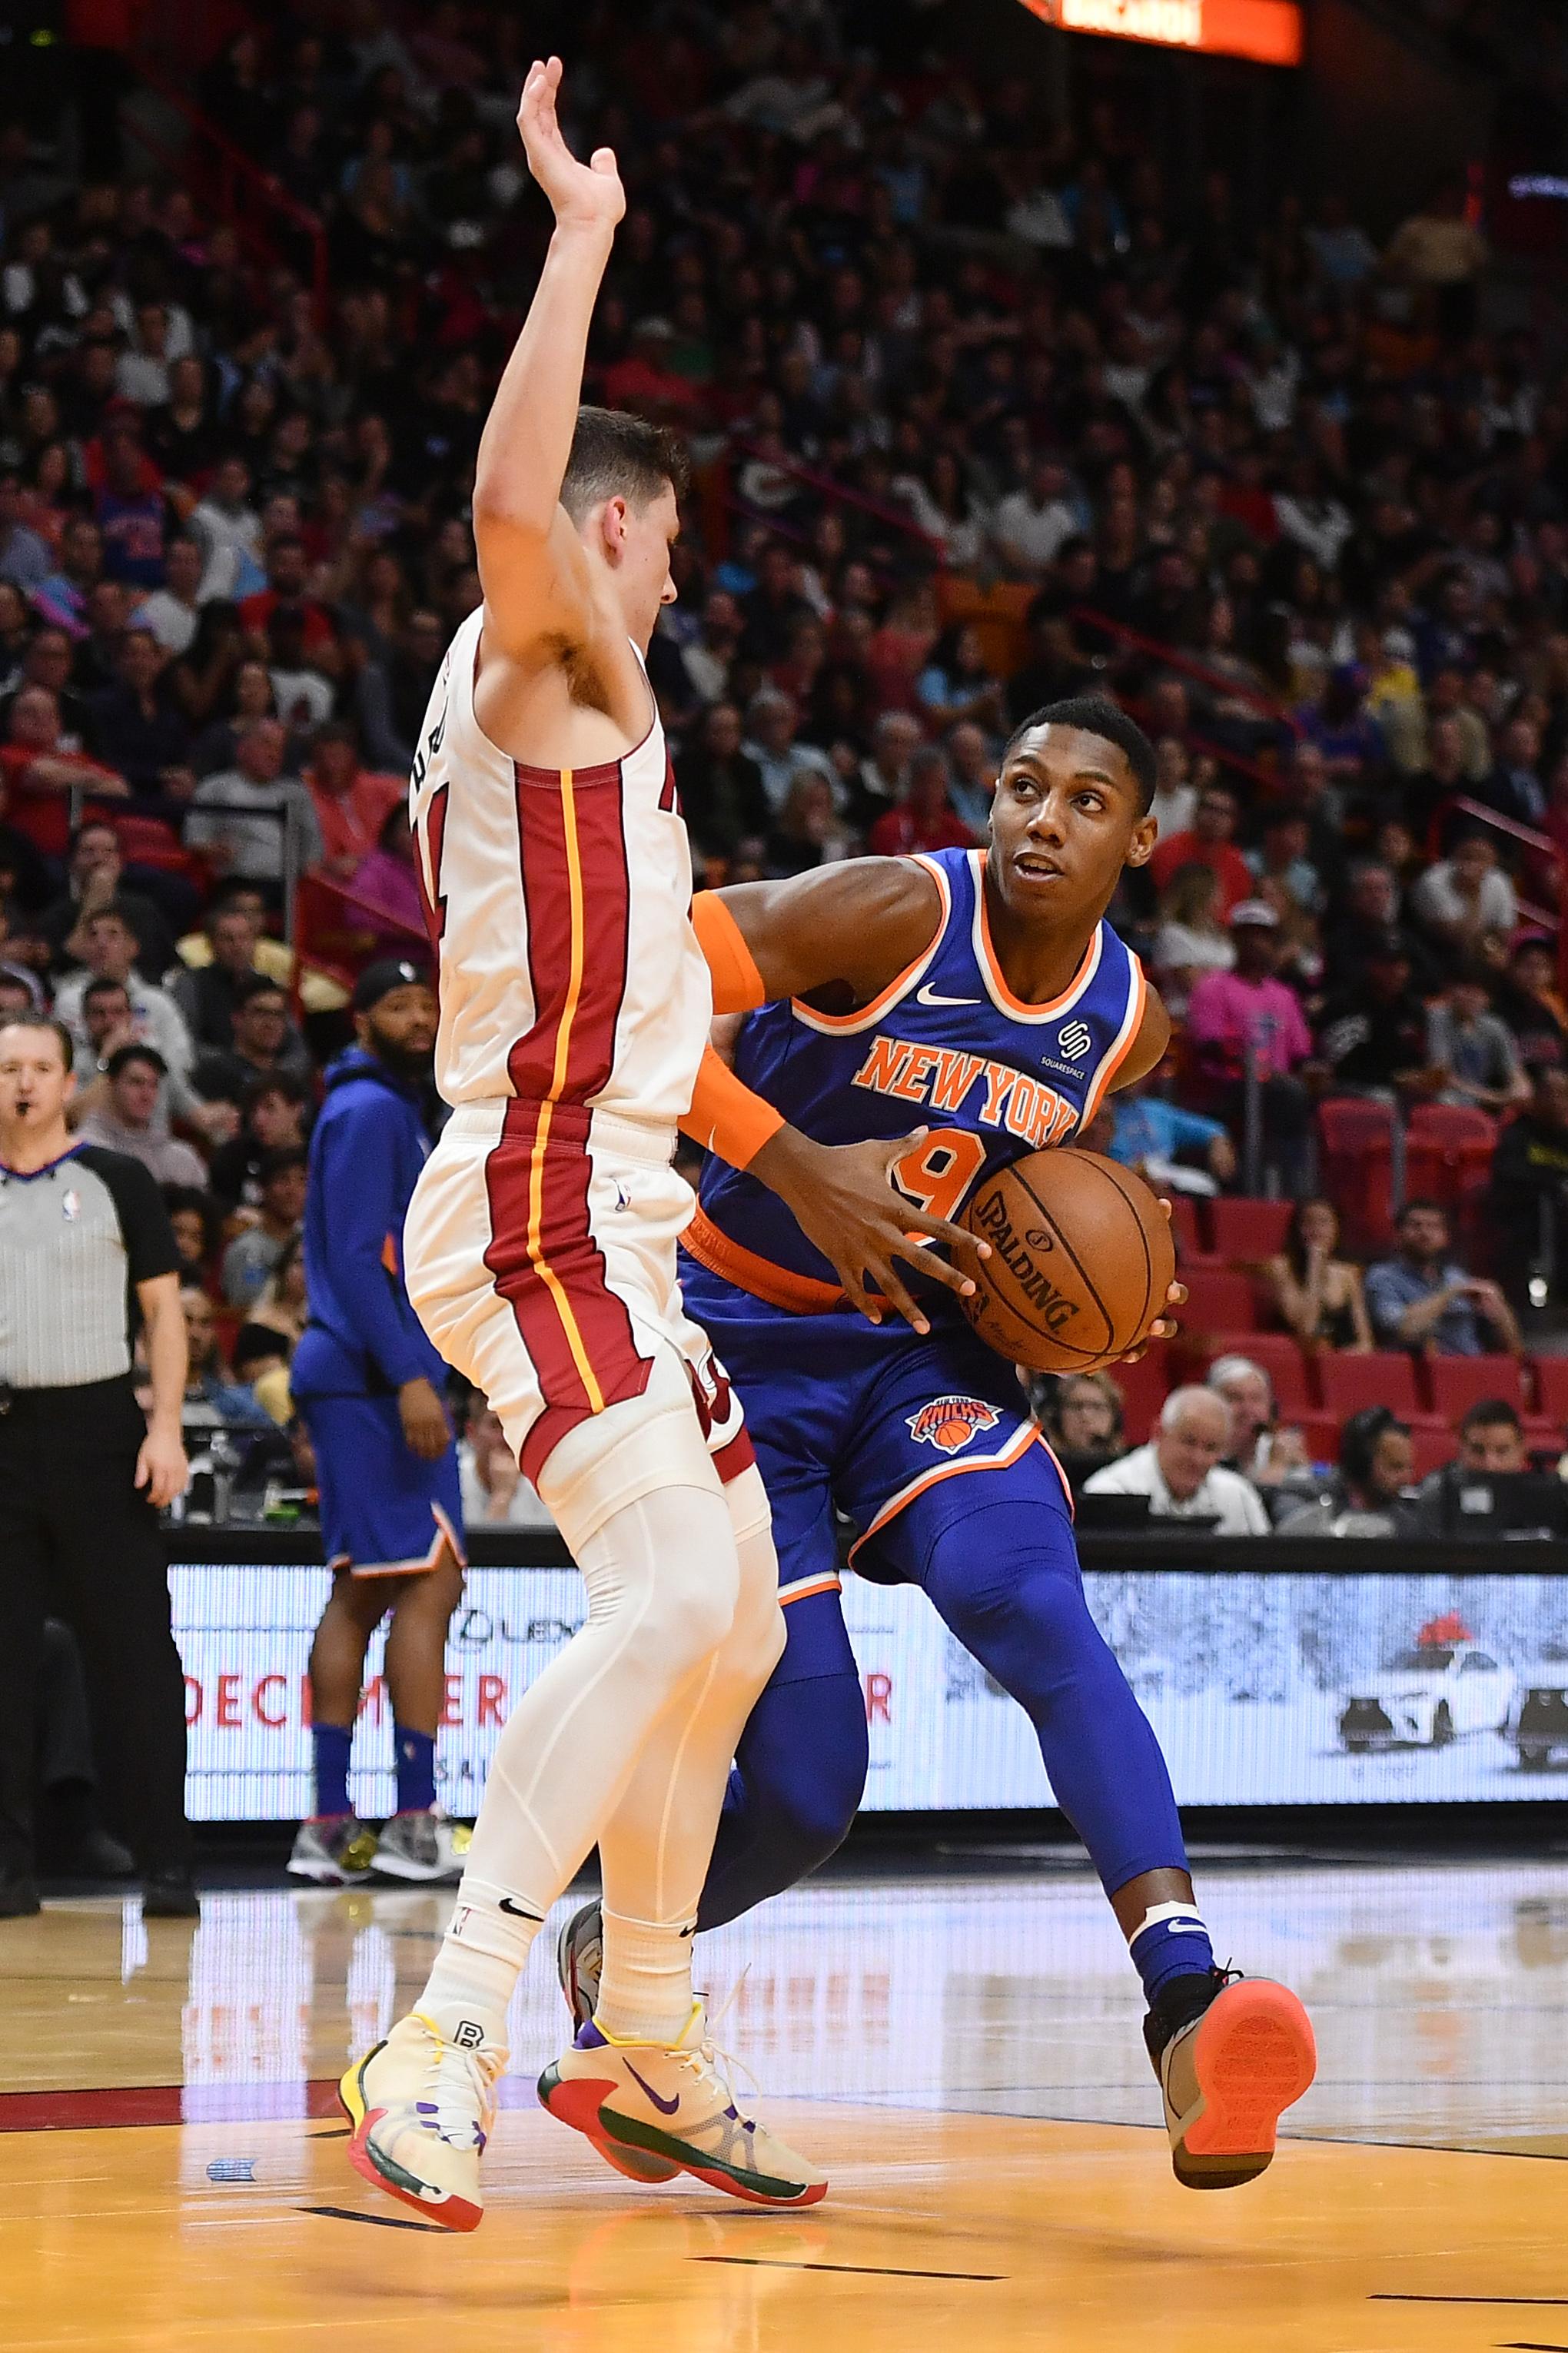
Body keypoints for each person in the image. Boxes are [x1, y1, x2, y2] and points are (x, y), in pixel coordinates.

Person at [344, 64, 943, 2228]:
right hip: (530, 1195)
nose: (682, 580)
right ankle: (447, 2021)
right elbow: (515, 498)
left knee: (743, 1631)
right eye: (669, 539)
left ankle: (663, 2038)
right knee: (679, 1586)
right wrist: (579, 248)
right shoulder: (558, 655)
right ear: (614, 531)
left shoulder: (594, 706)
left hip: (619, 1209)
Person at [557, 691, 1313, 2198]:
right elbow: (630, 990)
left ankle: (1187, 2005)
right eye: (1022, 786)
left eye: (1084, 800)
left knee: (1032, 1601)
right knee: (813, 1782)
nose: (1042, 817)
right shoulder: (896, 908)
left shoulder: (1130, 1020)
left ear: (1143, 838)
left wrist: (1080, 1299)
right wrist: (793, 1162)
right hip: (738, 1337)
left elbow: (1037, 1188)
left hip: (922, 1355)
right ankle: (622, 1957)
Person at [0, 1014, 194, 1918]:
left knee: (137, 1657)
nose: (23, 1082)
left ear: (69, 1081)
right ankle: (10, 1871)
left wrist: (166, 1431)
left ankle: (166, 1861)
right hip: (7, 1434)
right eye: (8, 1068)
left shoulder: (117, 1179)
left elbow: (163, 1314)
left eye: (39, 1066)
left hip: (102, 1429)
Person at [287, 960, 468, 1889]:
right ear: (361, 1018)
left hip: (361, 1372)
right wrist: (411, 1376)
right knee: (421, 1585)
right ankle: (410, 1818)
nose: (420, 1017)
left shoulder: (389, 1105)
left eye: (428, 1002)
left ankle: (331, 1825)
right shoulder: (369, 1112)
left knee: (367, 1590)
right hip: (368, 1375)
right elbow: (363, 1261)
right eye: (398, 1003)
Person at [1185, 902, 1314, 1195]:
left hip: (1275, 1090)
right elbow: (1209, 1043)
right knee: (1285, 1095)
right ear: (1235, 939)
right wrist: (1251, 1065)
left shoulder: (1283, 995)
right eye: (1247, 934)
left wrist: (1314, 1071)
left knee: (1302, 1096)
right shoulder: (1213, 986)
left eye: (1263, 935)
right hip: (1224, 1086)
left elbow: (1300, 1053)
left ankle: (1295, 1187)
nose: (1255, 942)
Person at [1085, 1388, 1271, 1535]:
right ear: (1159, 1432)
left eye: (1211, 1448)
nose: (1198, 1459)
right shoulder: (1110, 1493)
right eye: (1189, 1442)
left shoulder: (1239, 1495)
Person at [1364, 1198, 1521, 1357]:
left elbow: (1513, 1347)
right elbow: (1404, 1329)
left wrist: (1501, 1309)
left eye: (1433, 1226)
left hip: (1469, 1369)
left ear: (1446, 1237)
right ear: (1398, 1235)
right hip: (1408, 1373)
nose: (1425, 1233)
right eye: (1416, 1226)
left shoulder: (1456, 1276)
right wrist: (1450, 1294)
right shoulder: (1383, 1276)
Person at [1484, 1064, 1568, 1305]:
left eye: (1564, 1094)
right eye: (1551, 1093)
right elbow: (1510, 1176)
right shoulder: (1518, 1135)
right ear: (1536, 1096)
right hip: (1526, 1229)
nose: (1558, 1101)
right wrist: (1558, 1184)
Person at [77, 1044, 209, 1187]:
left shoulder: (180, 1157)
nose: (147, 1095)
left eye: (153, 1085)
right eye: (136, 1083)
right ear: (110, 1084)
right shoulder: (88, 1147)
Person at [1274, 1407, 1415, 1537]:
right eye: (1395, 1467)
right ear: (1360, 1462)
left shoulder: (1408, 1520)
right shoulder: (1306, 1496)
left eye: (1408, 1467)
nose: (1406, 1478)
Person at [1409, 1398, 1532, 1536]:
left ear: (1522, 1451)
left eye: (1502, 1451)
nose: (1489, 1464)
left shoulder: (1542, 1497)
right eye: (1478, 1451)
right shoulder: (1438, 1493)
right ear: (1461, 1449)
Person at [1266, 1198, 1374, 1352]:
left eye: (1324, 1222)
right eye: (1308, 1222)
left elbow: (1366, 1342)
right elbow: (1307, 1329)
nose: (1316, 1229)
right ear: (1297, 1229)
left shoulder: (1348, 1273)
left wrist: (1347, 1358)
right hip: (1302, 1358)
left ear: (1337, 1229)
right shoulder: (1282, 1267)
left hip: (1342, 1360)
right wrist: (1315, 1266)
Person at [1204, 1354, 1312, 1497]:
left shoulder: (1276, 1450)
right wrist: (1275, 1470)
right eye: (1234, 1398)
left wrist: (1302, 1470)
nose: (1248, 1409)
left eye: (1256, 1399)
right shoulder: (1201, 1452)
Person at [1428, 970, 1530, 1114]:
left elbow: (1516, 1073)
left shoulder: (1495, 1026)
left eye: (1478, 993)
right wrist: (1492, 1097)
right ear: (1451, 991)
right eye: (1466, 990)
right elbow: (1441, 1076)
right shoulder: (1438, 1018)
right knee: (1446, 1099)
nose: (1471, 997)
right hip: (1451, 1095)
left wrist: (1519, 1091)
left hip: (1484, 1099)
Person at [178, 1282, 274, 1432]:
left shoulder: (233, 1404)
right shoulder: (141, 1398)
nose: (195, 1334)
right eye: (186, 1320)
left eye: (205, 1323)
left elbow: (270, 1435)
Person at [219, 1146, 305, 1309]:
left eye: (302, 1180)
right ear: (263, 1189)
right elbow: (244, 1310)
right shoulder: (246, 1249)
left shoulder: (311, 1244)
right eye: (283, 1180)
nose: (292, 1190)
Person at [458, 1399, 556, 1528]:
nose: (507, 1438)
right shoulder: (454, 1482)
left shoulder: (546, 1486)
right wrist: (502, 1495)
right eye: (496, 1425)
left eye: (514, 1426)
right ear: (471, 1432)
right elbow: (479, 1548)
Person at [1040, 1371, 1125, 1494]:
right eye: (1076, 1406)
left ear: (1115, 1419)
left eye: (1097, 1407)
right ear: (1057, 1417)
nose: (1086, 1416)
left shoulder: (1127, 1470)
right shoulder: (1044, 1469)